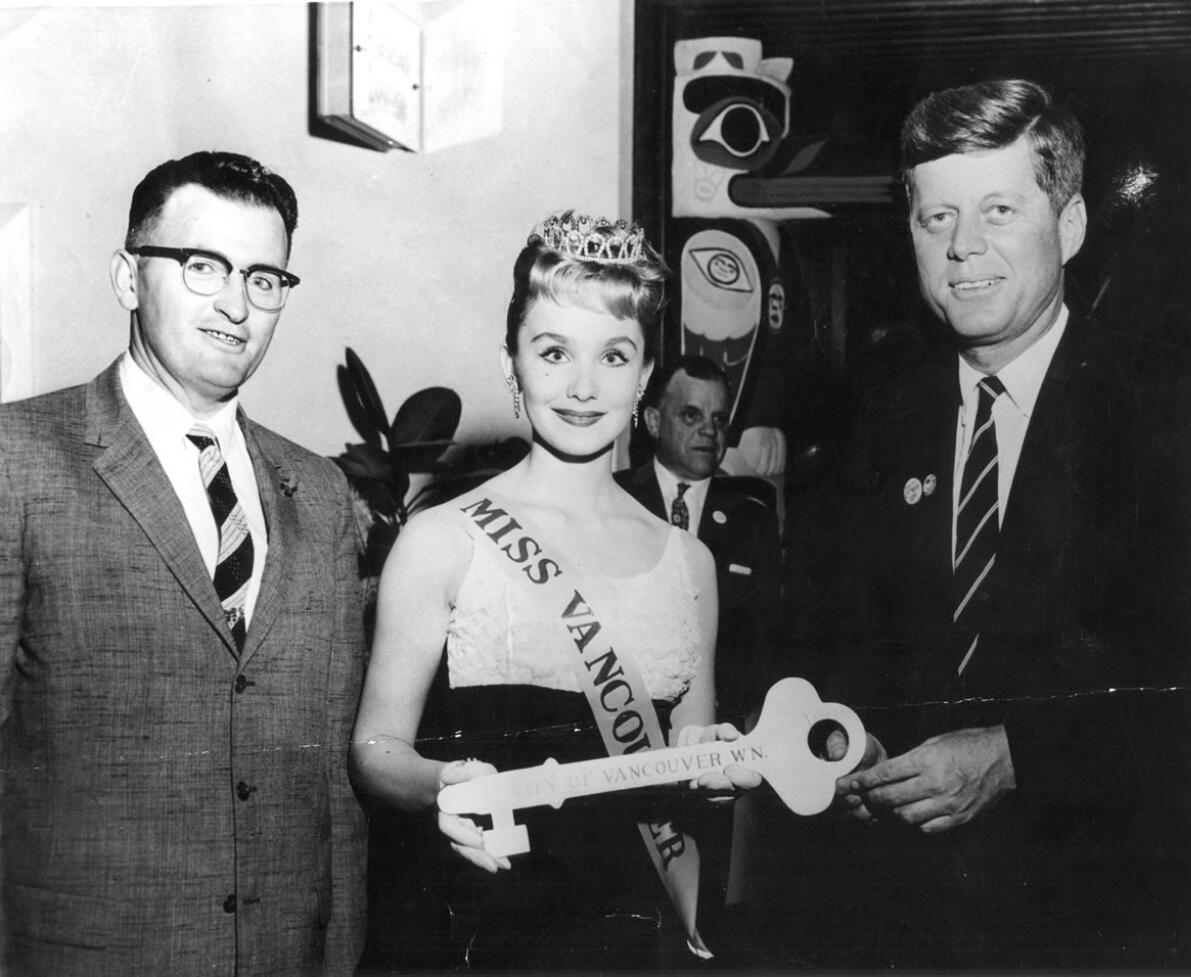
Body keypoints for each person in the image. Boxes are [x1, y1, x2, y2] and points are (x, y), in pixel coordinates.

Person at [818, 79, 1191, 969]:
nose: (964, 248)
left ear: (1070, 225)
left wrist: (1017, 754)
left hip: (1108, 918)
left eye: (999, 209)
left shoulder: (1170, 419)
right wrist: (846, 744)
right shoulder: (875, 417)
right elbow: (838, 639)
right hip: (904, 924)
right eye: (936, 219)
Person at [350, 212, 753, 971]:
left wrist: (719, 775)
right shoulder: (443, 538)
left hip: (637, 940)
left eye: (614, 355)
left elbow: (682, 783)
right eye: (553, 350)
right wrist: (443, 784)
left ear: (644, 378)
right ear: (513, 363)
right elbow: (374, 751)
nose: (581, 385)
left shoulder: (690, 563)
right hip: (488, 931)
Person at [0, 151, 368, 976]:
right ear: (129, 278)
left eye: (265, 278)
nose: (237, 305)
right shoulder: (16, 459)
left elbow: (335, 797)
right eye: (204, 267)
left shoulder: (319, 490)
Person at [615, 355, 784, 726]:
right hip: (625, 723)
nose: (710, 431)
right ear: (655, 422)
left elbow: (769, 639)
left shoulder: (753, 519)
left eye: (719, 420)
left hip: (724, 726)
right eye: (691, 416)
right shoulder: (611, 499)